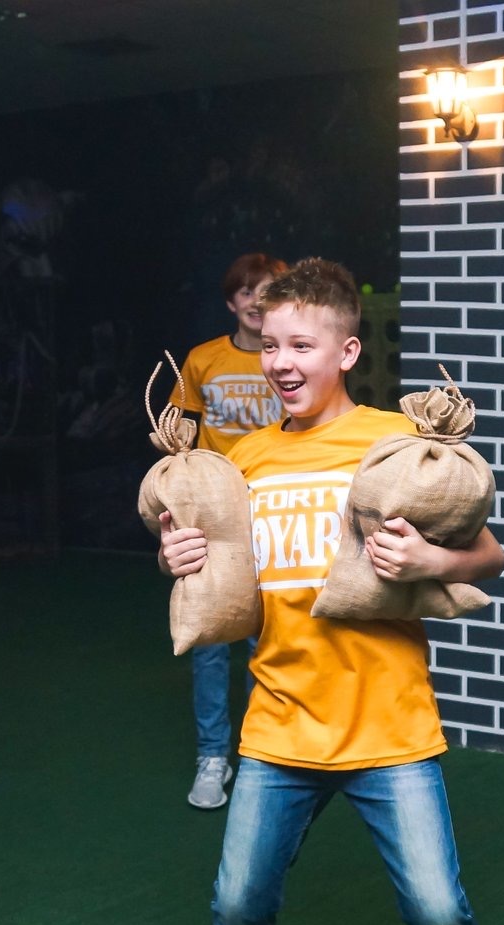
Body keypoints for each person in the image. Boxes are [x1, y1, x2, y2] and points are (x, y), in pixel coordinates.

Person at [158, 257, 504, 925]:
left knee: (439, 913)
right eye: (270, 344)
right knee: (237, 905)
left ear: (346, 351)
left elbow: (488, 557)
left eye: (301, 345)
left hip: (388, 725)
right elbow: (215, 569)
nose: (280, 361)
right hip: (279, 724)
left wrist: (429, 559)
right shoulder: (243, 459)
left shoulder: (396, 442)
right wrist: (180, 554)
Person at [172, 251, 287, 809]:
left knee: (269, 637)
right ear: (230, 302)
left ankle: (262, 752)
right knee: (212, 643)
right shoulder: (202, 359)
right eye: (247, 292)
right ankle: (213, 757)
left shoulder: (287, 359)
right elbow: (180, 431)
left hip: (275, 509)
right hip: (214, 515)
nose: (257, 302)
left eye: (269, 292)